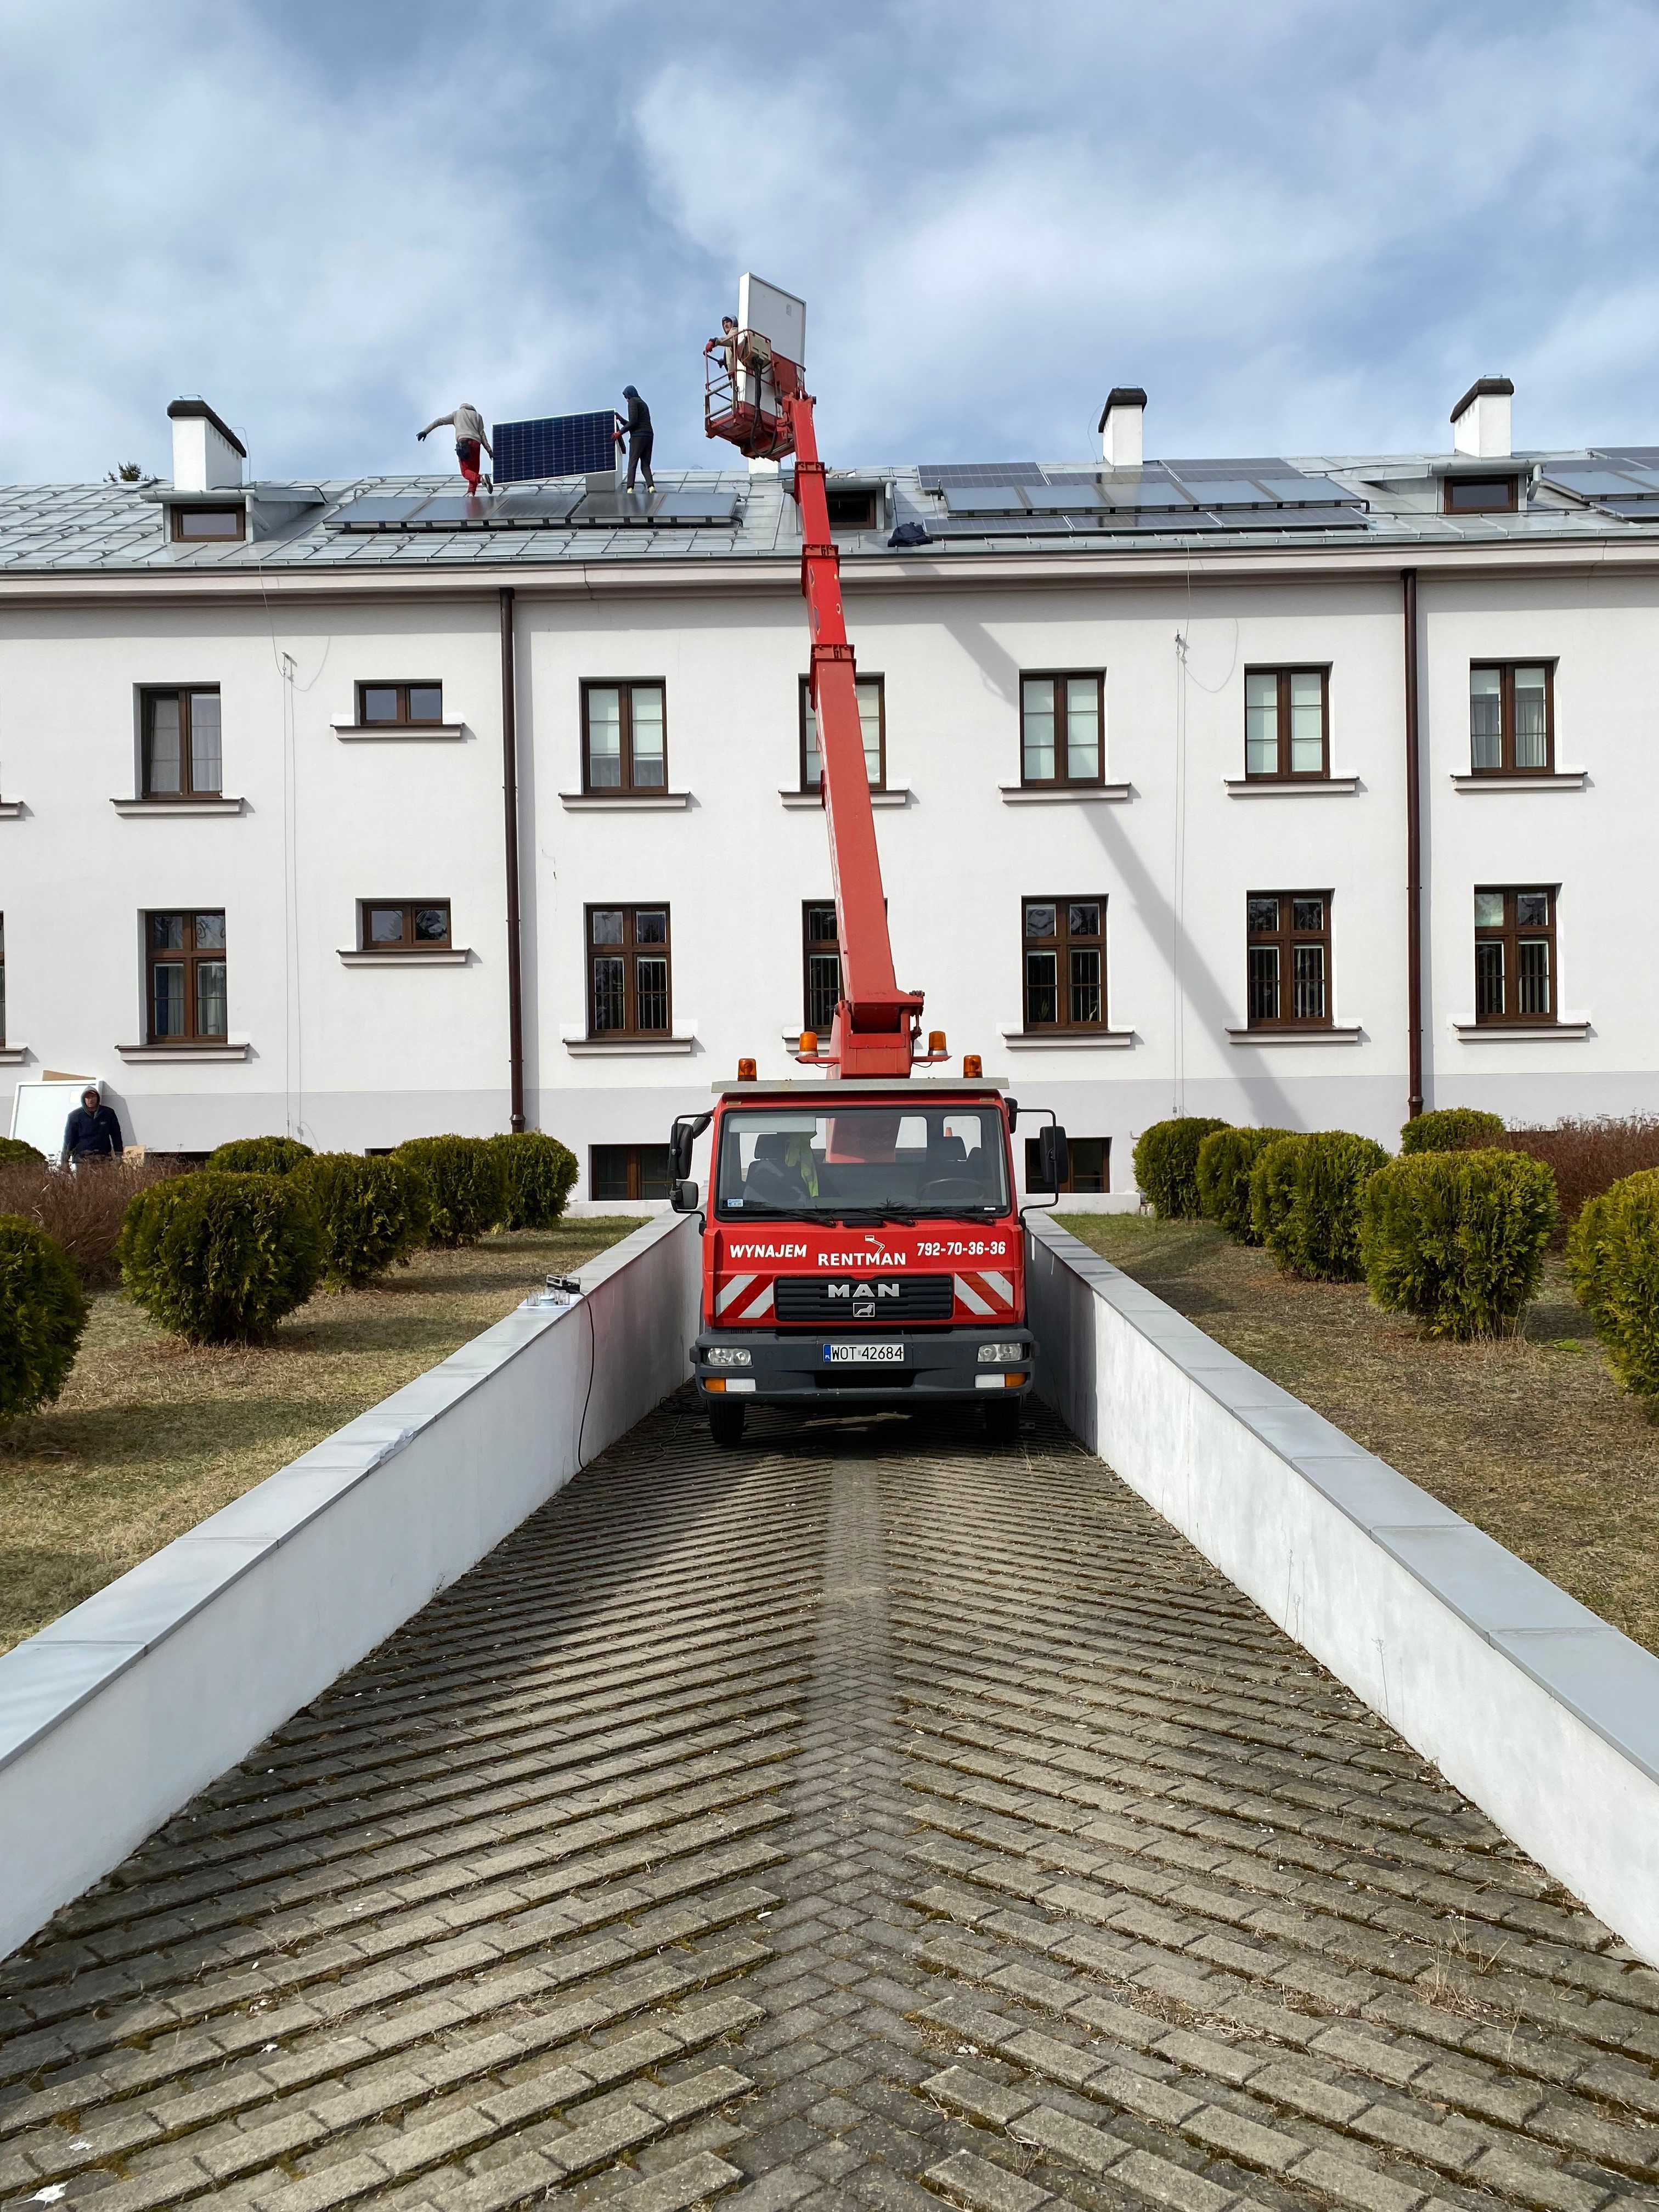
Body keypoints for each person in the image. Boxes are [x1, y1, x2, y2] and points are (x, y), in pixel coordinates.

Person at [417, 404, 493, 493]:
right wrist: (489, 451)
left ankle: (481, 479)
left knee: (465, 472)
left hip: (464, 444)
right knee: (473, 473)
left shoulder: (457, 414)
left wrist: (425, 431)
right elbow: (482, 434)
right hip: (476, 444)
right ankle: (471, 494)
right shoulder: (478, 416)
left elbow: (439, 421)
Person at [61, 1086, 122, 1166]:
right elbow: (69, 1139)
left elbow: (116, 1135)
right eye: (87, 1097)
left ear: (97, 1098)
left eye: (93, 1097)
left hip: (104, 1158)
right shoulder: (75, 1116)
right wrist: (65, 1161)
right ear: (84, 1099)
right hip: (82, 1160)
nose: (90, 1100)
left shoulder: (108, 1114)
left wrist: (119, 1155)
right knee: (83, 1179)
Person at [613, 387, 654, 493]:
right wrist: (621, 420)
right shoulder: (643, 404)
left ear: (629, 395)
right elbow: (635, 423)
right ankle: (651, 487)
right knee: (645, 464)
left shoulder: (633, 401)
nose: (627, 400)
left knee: (633, 462)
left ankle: (630, 488)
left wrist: (619, 433)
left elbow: (633, 422)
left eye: (626, 397)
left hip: (638, 437)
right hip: (649, 435)